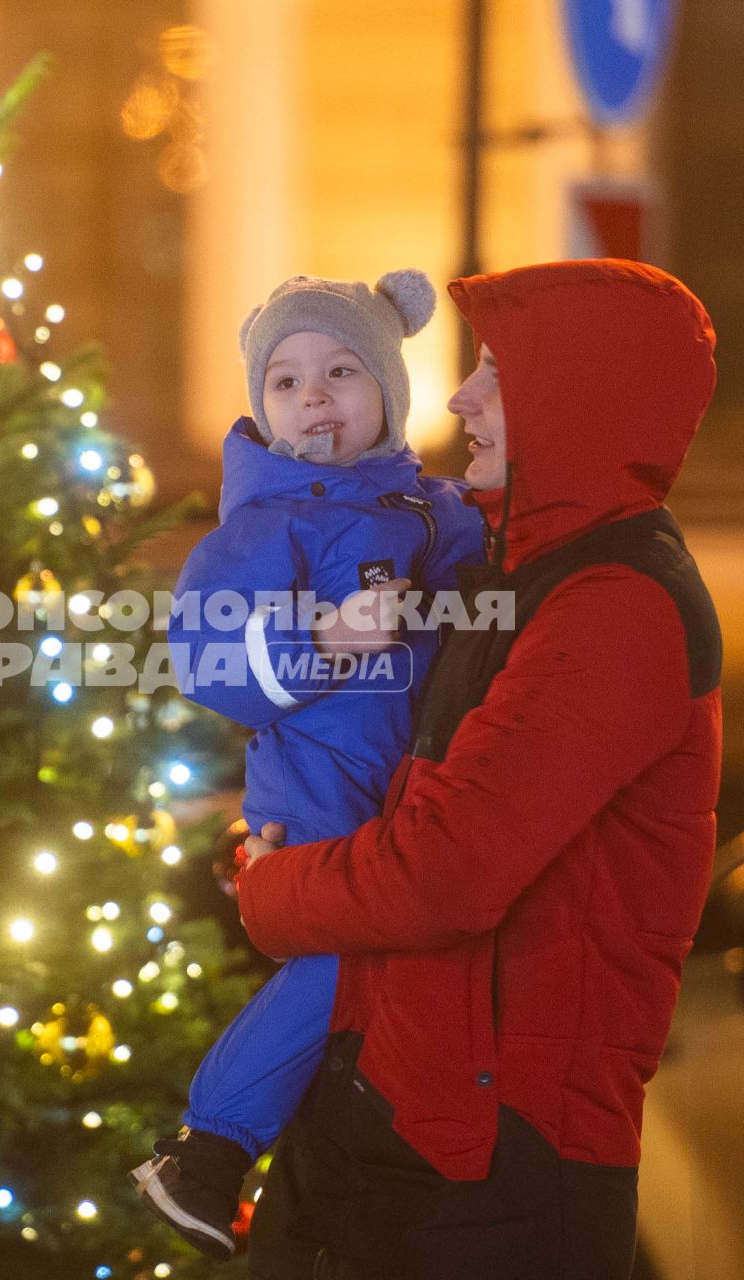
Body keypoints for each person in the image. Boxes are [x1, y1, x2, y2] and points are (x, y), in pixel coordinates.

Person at [236, 258, 723, 1280]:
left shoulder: (612, 611)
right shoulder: (517, 574)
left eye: (495, 371)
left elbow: (443, 870)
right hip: (405, 1124)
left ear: (576, 396)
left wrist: (269, 891)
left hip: (494, 1167)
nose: (459, 397)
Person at [130, 270, 486, 1259]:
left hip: (409, 782)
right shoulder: (261, 524)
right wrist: (319, 643)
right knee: (342, 948)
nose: (311, 395)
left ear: (388, 387)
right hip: (321, 782)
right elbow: (204, 658)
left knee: (382, 962)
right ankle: (207, 1146)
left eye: (339, 370)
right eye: (282, 381)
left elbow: (489, 597)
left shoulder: (432, 508)